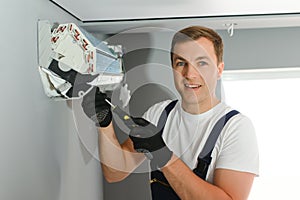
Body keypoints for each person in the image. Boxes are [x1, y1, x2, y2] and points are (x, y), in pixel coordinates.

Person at [81, 26, 259, 200]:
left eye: (202, 63)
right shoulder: (159, 114)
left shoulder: (236, 128)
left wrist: (164, 156)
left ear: (219, 70)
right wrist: (104, 124)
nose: (190, 74)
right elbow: (116, 172)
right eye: (181, 63)